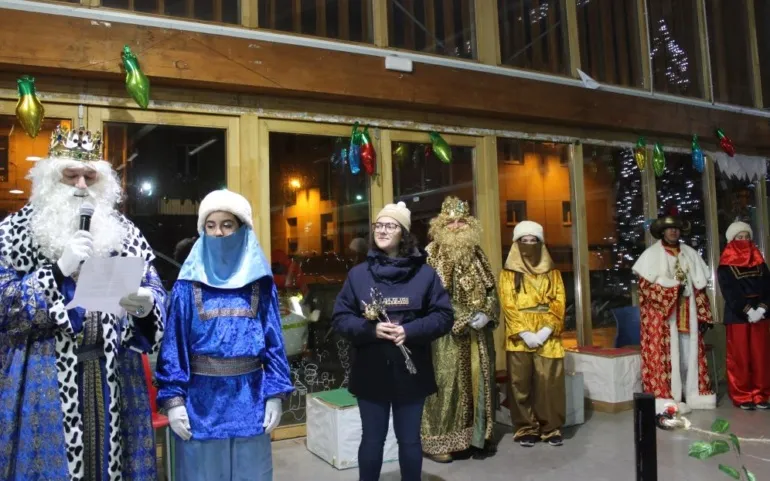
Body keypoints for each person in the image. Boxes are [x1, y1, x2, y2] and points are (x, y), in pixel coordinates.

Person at [0, 124, 167, 480]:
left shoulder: (122, 231)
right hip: (41, 378)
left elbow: (151, 286)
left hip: (113, 376)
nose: (80, 185)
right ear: (49, 179)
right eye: (70, 175)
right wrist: (58, 271)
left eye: (89, 176)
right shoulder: (13, 233)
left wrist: (147, 304)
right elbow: (4, 306)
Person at [155, 189, 293, 481]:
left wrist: (275, 394)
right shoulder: (186, 287)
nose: (219, 233)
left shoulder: (261, 286)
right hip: (199, 405)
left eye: (227, 224)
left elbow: (274, 345)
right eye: (211, 225)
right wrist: (174, 400)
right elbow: (173, 348)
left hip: (250, 400)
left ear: (242, 229)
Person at [332, 201, 453, 481]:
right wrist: (370, 330)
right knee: (372, 439)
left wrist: (410, 331)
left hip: (411, 371)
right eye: (379, 225)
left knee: (410, 440)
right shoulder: (358, 275)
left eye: (391, 225)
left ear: (404, 234)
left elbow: (444, 316)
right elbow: (340, 317)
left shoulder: (425, 274)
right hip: (371, 369)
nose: (383, 230)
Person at [421, 197, 498, 462]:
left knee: (479, 384)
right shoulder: (430, 254)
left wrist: (487, 313)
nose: (456, 226)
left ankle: (477, 438)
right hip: (446, 335)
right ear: (441, 225)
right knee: (447, 386)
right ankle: (438, 442)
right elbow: (428, 297)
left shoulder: (477, 253)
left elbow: (491, 290)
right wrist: (461, 318)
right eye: (450, 222)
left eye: (461, 221)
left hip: (478, 333)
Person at [632, 212, 715, 414]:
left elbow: (700, 287)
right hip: (664, 319)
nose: (673, 231)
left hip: (688, 316)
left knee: (688, 356)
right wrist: (674, 289)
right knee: (668, 356)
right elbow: (646, 288)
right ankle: (667, 398)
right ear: (662, 232)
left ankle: (693, 395)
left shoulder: (690, 254)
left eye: (676, 228)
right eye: (670, 228)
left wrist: (703, 313)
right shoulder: (651, 255)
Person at [499, 221, 566, 448]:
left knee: (549, 383)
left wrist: (547, 329)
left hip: (548, 334)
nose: (529, 245)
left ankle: (551, 427)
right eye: (524, 241)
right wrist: (525, 332)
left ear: (540, 243)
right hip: (520, 336)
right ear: (517, 244)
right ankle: (525, 427)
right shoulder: (508, 274)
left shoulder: (553, 273)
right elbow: (508, 304)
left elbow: (559, 301)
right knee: (520, 383)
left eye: (533, 240)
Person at [717, 221, 770, 410]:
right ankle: (742, 395)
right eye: (740, 238)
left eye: (747, 237)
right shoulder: (725, 267)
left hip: (761, 315)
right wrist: (748, 310)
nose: (744, 241)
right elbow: (730, 292)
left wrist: (763, 309)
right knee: (739, 358)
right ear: (732, 241)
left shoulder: (761, 264)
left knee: (761, 356)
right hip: (737, 315)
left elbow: (768, 288)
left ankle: (761, 394)